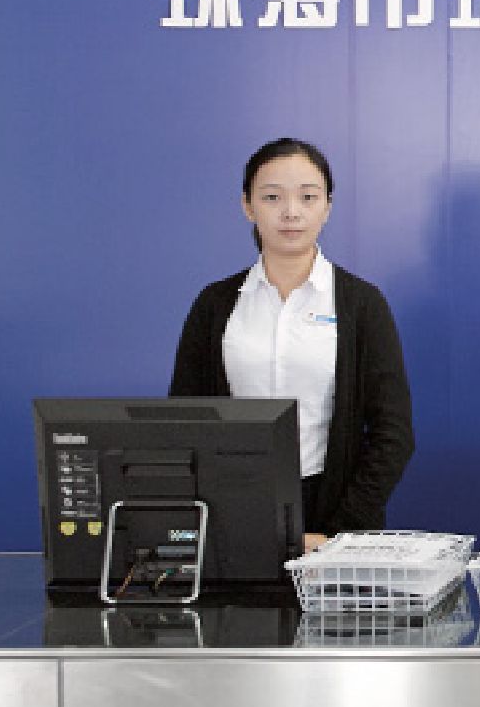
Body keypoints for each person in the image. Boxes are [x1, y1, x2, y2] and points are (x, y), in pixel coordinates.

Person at [170, 138, 414, 547]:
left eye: (307, 197)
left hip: (334, 512)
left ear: (327, 207)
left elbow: (394, 433)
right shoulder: (215, 304)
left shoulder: (361, 303)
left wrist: (338, 533)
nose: (291, 212)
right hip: (231, 510)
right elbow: (185, 420)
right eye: (272, 197)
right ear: (248, 206)